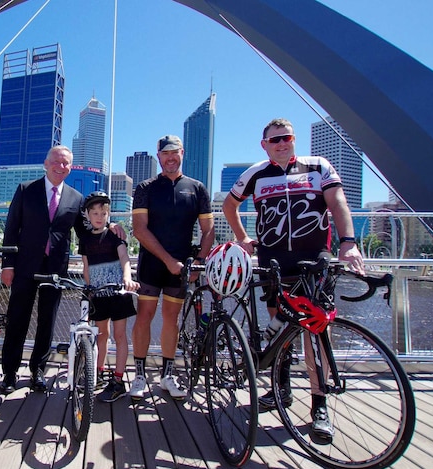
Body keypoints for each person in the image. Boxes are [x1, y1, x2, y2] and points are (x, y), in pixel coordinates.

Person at [222, 117, 365, 443]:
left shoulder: (318, 166)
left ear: (294, 139)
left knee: (316, 331)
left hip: (314, 261)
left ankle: (320, 405)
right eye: (275, 140)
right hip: (276, 262)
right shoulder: (256, 173)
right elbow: (230, 205)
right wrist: (242, 237)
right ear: (265, 145)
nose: (282, 143)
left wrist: (348, 241)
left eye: (286, 138)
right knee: (278, 327)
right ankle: (281, 389)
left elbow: (337, 201)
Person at [0, 145, 125, 394]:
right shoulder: (26, 190)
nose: (61, 166)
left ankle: (37, 371)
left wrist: (109, 227)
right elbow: (11, 228)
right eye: (56, 161)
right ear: (46, 164)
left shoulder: (75, 198)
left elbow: (85, 231)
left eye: (66, 163)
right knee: (18, 319)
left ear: (71, 167)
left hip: (56, 268)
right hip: (24, 265)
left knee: (48, 320)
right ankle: (10, 373)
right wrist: (7, 264)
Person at [130, 135, 214, 401]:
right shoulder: (146, 187)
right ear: (158, 157)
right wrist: (167, 259)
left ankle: (167, 375)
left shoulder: (197, 188)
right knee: (144, 316)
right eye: (165, 153)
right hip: (153, 264)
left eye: (174, 152)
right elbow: (139, 230)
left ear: (182, 153)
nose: (170, 158)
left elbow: (208, 229)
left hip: (183, 264)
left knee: (171, 319)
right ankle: (140, 375)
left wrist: (199, 261)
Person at [77, 191, 140, 403]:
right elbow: (86, 267)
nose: (99, 216)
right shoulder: (85, 239)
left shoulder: (115, 235)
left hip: (117, 293)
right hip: (98, 294)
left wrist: (126, 278)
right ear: (87, 215)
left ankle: (119, 379)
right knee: (101, 334)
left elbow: (125, 259)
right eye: (94, 212)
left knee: (120, 335)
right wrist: (88, 287)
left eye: (103, 213)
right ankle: (99, 371)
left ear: (108, 214)